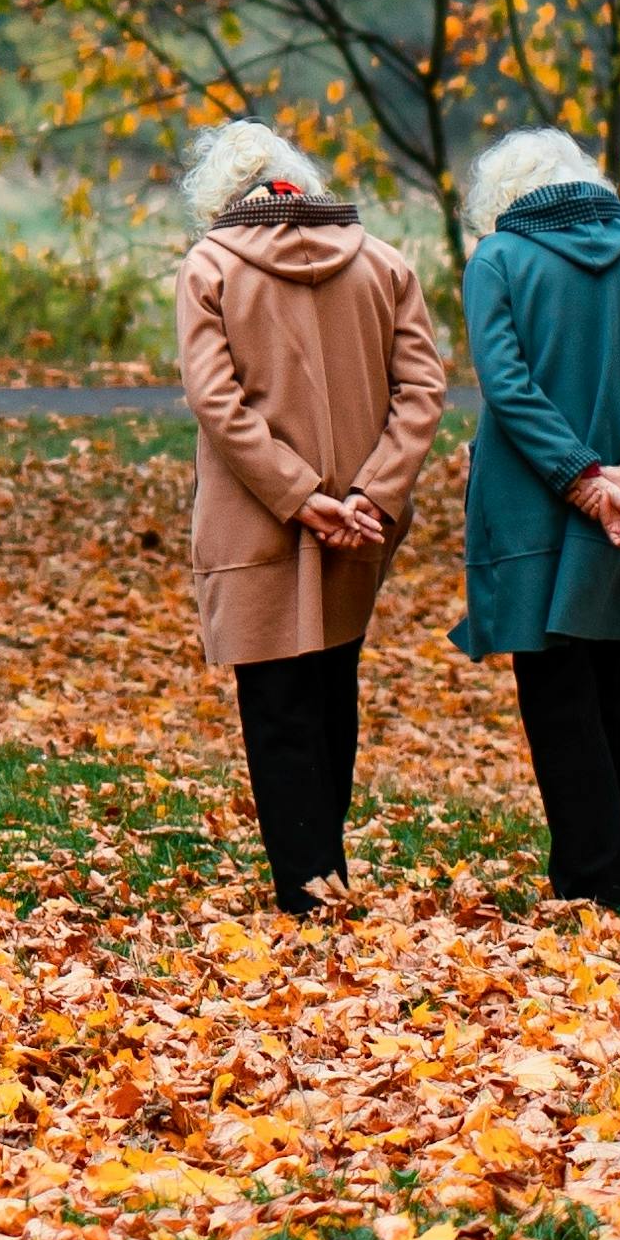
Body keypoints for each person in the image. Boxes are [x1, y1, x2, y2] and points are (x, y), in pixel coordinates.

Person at [172, 121, 447, 913]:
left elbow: (216, 403)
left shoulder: (211, 268)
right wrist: (371, 496)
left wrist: (298, 497)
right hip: (361, 526)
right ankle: (325, 872)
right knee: (332, 686)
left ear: (221, 197)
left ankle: (308, 888)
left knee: (277, 705)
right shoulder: (383, 263)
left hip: (257, 523)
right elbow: (422, 392)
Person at [449, 122, 620, 912]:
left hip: (534, 509)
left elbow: (507, 385)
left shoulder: (497, 261)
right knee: (613, 675)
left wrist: (583, 483)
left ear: (506, 198)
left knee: (557, 689)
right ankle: (616, 869)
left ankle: (593, 882)